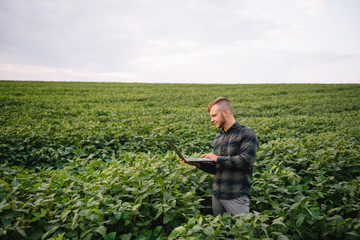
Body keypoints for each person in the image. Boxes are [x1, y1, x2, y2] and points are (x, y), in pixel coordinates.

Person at [181, 97, 259, 217]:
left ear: (226, 113)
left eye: (214, 115)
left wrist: (217, 158)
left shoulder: (246, 133)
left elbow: (246, 161)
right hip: (217, 196)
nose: (212, 120)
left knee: (242, 232)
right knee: (220, 231)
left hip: (236, 196)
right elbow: (216, 168)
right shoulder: (218, 138)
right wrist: (198, 164)